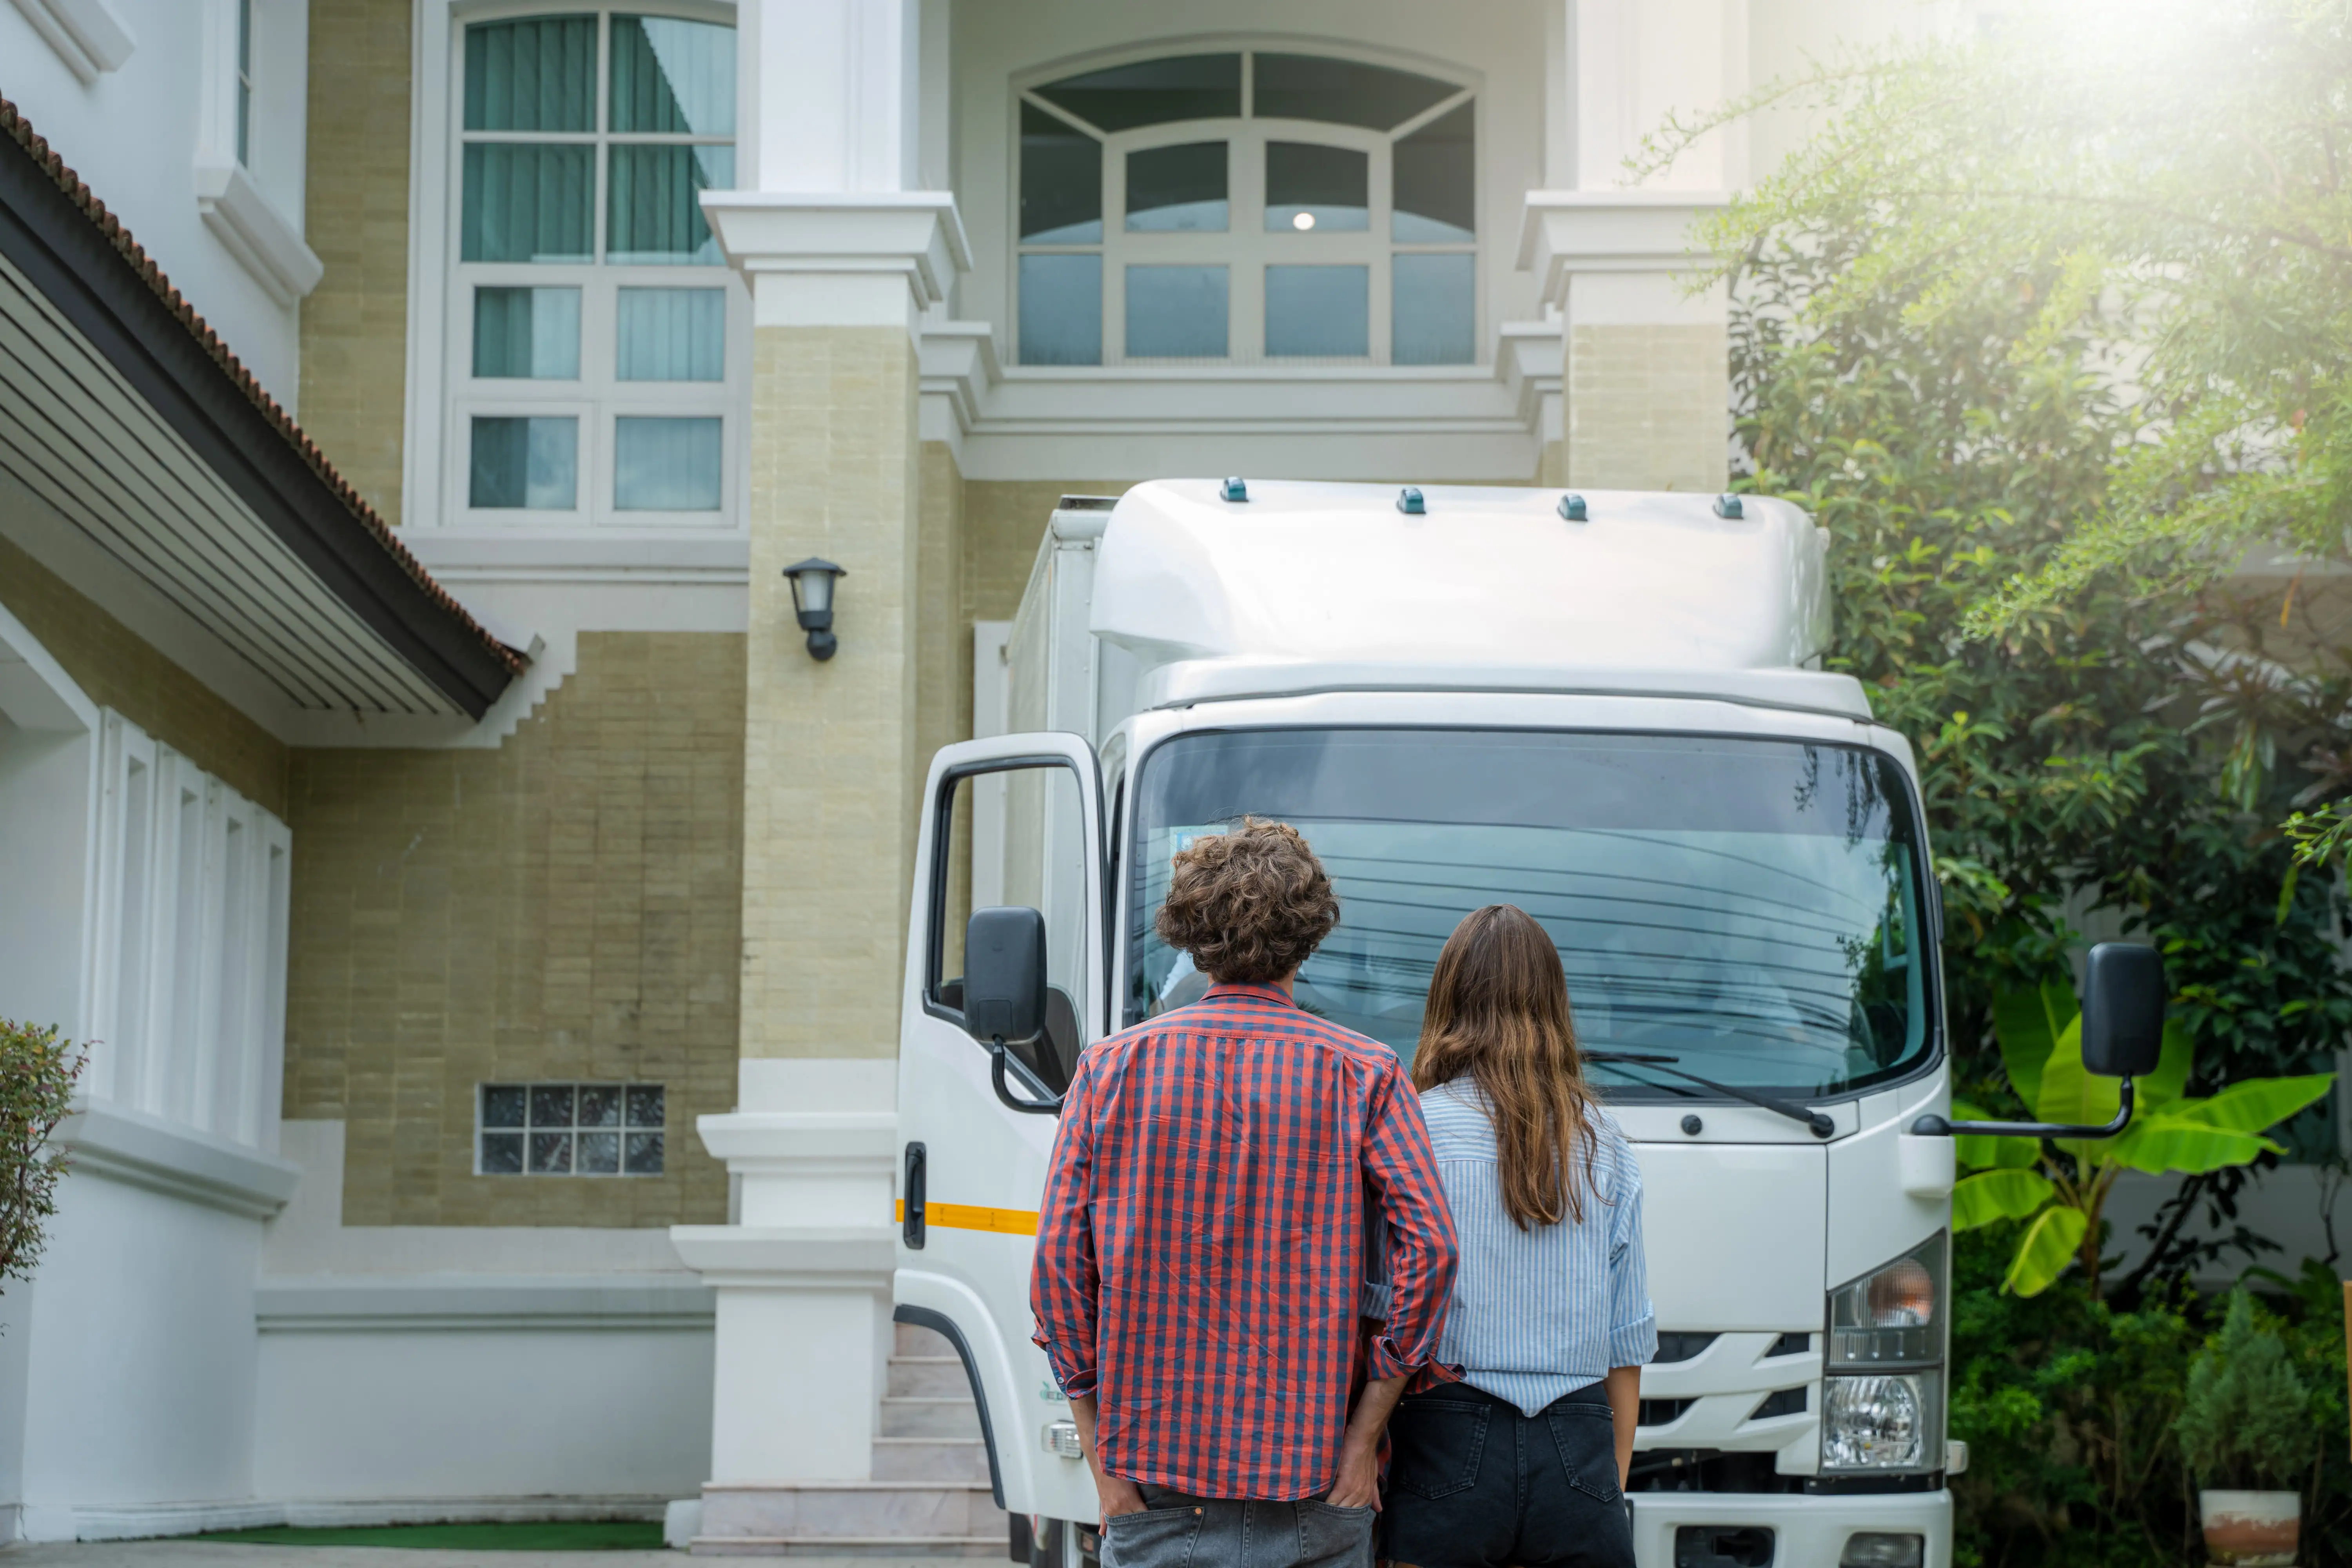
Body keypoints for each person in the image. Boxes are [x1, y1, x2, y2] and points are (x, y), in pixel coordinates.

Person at [1030, 817, 1459, 1568]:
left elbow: (1059, 1276)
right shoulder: (1367, 1074)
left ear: (1191, 934)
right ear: (1311, 934)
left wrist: (1103, 1463)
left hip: (1152, 1486)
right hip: (1320, 1483)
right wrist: (1363, 1441)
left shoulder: (1107, 1072)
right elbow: (1432, 1251)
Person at [1383, 904, 1655, 1568]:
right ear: (1554, 1005)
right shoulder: (1605, 1145)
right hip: (1579, 1443)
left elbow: (1382, 1312)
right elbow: (1628, 1341)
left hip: (1442, 1435)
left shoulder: (1413, 1130)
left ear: (1449, 999)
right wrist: (1605, 1486)